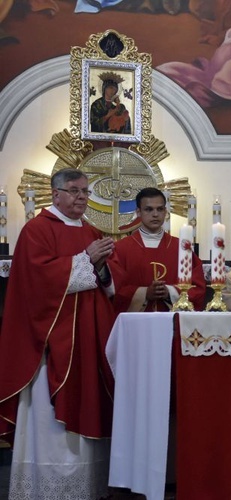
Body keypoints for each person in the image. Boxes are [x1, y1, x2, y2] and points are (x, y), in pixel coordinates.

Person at [0, 168, 116, 498]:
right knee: (47, 424)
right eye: (75, 191)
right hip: (50, 345)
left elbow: (108, 284)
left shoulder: (92, 230)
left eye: (85, 191)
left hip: (87, 343)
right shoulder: (37, 230)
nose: (82, 196)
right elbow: (36, 281)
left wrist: (103, 265)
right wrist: (86, 259)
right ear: (56, 195)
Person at [110, 187, 206, 313]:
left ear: (165, 212)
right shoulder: (121, 249)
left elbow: (198, 288)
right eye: (148, 209)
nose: (155, 214)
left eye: (159, 209)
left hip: (172, 324)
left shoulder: (181, 247)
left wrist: (169, 292)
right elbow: (113, 291)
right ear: (138, 212)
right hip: (136, 325)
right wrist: (144, 293)